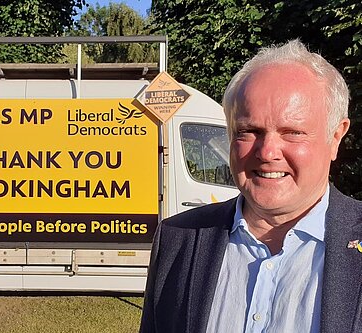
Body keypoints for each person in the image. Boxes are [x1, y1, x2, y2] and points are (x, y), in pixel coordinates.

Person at [140, 40, 362, 333]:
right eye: (249, 131)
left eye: (292, 132)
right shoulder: (178, 240)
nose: (268, 152)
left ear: (335, 137)